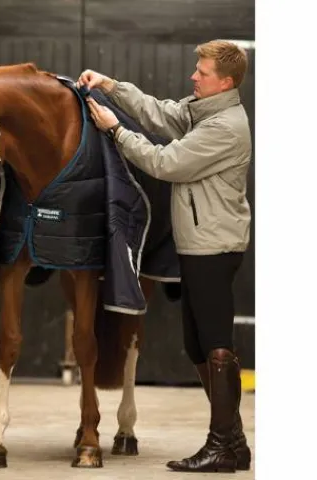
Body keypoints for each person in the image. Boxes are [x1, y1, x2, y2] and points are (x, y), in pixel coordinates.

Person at [77, 39, 252, 473]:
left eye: (203, 72)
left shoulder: (224, 127)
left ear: (225, 82)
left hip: (214, 246)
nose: (194, 76)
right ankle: (233, 443)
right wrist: (111, 86)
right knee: (198, 343)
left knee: (215, 345)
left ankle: (222, 445)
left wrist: (115, 131)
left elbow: (164, 163)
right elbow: (159, 112)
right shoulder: (204, 112)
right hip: (199, 243)